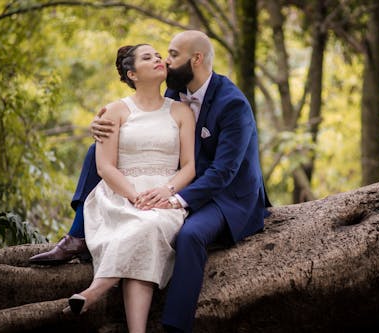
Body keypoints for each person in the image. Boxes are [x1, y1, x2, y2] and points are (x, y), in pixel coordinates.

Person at [30, 30, 270, 332]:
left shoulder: (231, 103)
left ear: (195, 60)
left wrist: (174, 197)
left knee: (190, 235)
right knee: (97, 151)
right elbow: (142, 121)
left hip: (226, 195)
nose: (164, 61)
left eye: (171, 55)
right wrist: (100, 126)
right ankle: (77, 234)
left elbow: (224, 171)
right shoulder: (173, 92)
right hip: (180, 186)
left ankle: (174, 325)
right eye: (158, 56)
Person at [61, 43, 196, 333]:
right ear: (132, 73)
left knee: (148, 228)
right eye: (148, 58)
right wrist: (134, 196)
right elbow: (104, 167)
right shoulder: (114, 111)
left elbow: (189, 167)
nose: (158, 59)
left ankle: (95, 292)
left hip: (163, 197)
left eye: (159, 56)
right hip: (119, 196)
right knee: (143, 230)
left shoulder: (181, 112)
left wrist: (167, 191)